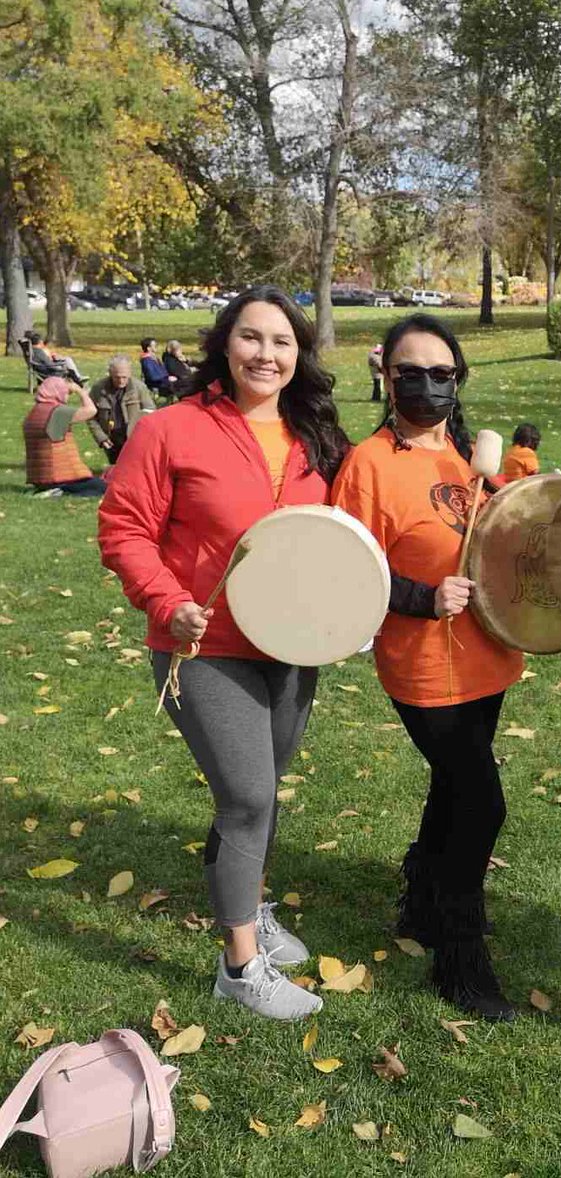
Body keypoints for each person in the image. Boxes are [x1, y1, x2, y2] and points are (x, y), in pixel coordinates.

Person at [98, 286, 349, 1020]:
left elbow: (342, 537)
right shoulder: (172, 428)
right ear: (224, 342)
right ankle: (241, 966)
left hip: (293, 646)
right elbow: (124, 529)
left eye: (281, 341)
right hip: (204, 648)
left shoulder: (316, 438)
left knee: (260, 789)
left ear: (299, 354)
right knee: (247, 797)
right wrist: (166, 601)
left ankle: (252, 903)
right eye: (251, 337)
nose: (265, 354)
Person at [332, 314, 524, 1022]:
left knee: (454, 787)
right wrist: (421, 596)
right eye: (410, 372)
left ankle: (420, 897)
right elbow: (347, 570)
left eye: (441, 374)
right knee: (482, 801)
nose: (426, 385)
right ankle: (461, 958)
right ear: (387, 377)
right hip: (423, 666)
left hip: (488, 654)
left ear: (458, 380)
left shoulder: (467, 453)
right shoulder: (368, 465)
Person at [22, 376, 108, 497]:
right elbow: (91, 410)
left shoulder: (33, 413)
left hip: (39, 478)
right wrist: (80, 391)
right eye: (67, 392)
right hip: (58, 477)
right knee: (103, 487)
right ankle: (59, 492)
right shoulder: (57, 412)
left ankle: (44, 490)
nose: (67, 396)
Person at [88, 356, 157, 464]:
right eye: (117, 377)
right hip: (111, 439)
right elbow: (90, 416)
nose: (121, 381)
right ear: (110, 373)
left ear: (130, 373)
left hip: (134, 438)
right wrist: (101, 438)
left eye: (124, 377)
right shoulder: (98, 389)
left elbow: (151, 411)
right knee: (116, 470)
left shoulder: (139, 388)